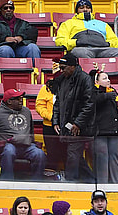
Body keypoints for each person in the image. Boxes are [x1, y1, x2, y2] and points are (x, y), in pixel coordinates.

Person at [0, 89, 45, 180]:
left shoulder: (27, 111)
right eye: (18, 99)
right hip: (9, 145)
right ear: (9, 101)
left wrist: (32, 141)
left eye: (21, 98)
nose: (21, 100)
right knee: (9, 152)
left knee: (39, 154)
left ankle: (37, 183)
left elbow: (31, 130)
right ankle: (7, 182)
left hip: (27, 146)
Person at [51, 52, 95, 182]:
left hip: (79, 127)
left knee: (72, 155)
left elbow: (89, 104)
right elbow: (57, 102)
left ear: (72, 66)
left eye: (63, 68)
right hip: (65, 125)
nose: (61, 70)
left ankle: (70, 183)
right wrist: (55, 121)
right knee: (74, 156)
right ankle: (92, 181)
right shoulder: (62, 80)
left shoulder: (85, 79)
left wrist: (78, 123)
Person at [91, 69, 118, 184]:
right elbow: (91, 104)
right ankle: (101, 188)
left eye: (108, 78)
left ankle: (116, 187)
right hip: (100, 133)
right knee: (101, 161)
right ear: (96, 82)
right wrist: (106, 96)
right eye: (104, 78)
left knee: (116, 162)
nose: (108, 80)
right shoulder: (93, 93)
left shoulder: (115, 94)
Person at [54, 0, 118, 61]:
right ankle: (91, 73)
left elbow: (114, 40)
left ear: (91, 10)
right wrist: (76, 42)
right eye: (81, 8)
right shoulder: (67, 23)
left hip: (103, 49)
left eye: (88, 8)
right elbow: (60, 41)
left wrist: (106, 44)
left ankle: (106, 73)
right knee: (79, 53)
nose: (85, 9)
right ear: (77, 10)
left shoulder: (103, 24)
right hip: (82, 49)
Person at [37, 77, 65, 171]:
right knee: (52, 153)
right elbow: (40, 106)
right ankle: (51, 174)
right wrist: (52, 118)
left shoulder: (71, 86)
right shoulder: (46, 88)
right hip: (49, 126)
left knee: (66, 153)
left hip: (66, 126)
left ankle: (67, 174)